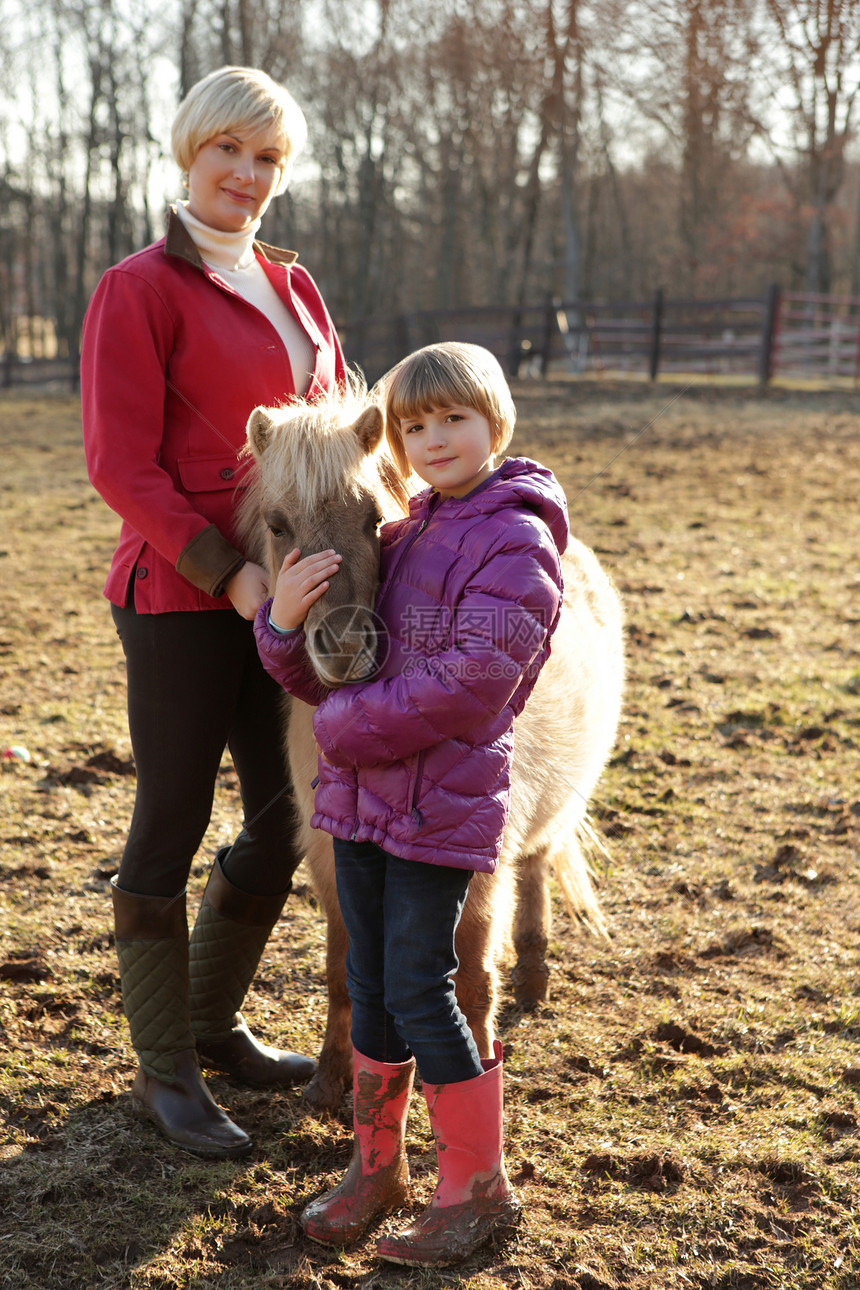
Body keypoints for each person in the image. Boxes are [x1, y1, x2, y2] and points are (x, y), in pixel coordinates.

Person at [81, 65, 347, 1159]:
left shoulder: (297, 288)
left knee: (288, 814)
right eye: (230, 151)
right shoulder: (137, 287)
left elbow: (336, 439)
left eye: (268, 160)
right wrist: (229, 577)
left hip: (295, 591)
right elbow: (120, 466)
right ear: (190, 151)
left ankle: (211, 1019)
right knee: (174, 811)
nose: (247, 175)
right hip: (184, 593)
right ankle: (165, 1072)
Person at [253, 341, 568, 1266]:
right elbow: (317, 673)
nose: (434, 440)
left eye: (454, 421)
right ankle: (376, 1167)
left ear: (495, 425)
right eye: (417, 425)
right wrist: (280, 623)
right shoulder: (401, 531)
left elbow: (472, 687)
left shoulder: (516, 539)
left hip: (439, 807)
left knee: (429, 994)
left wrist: (348, 725)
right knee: (373, 992)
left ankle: (477, 1185)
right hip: (360, 807)